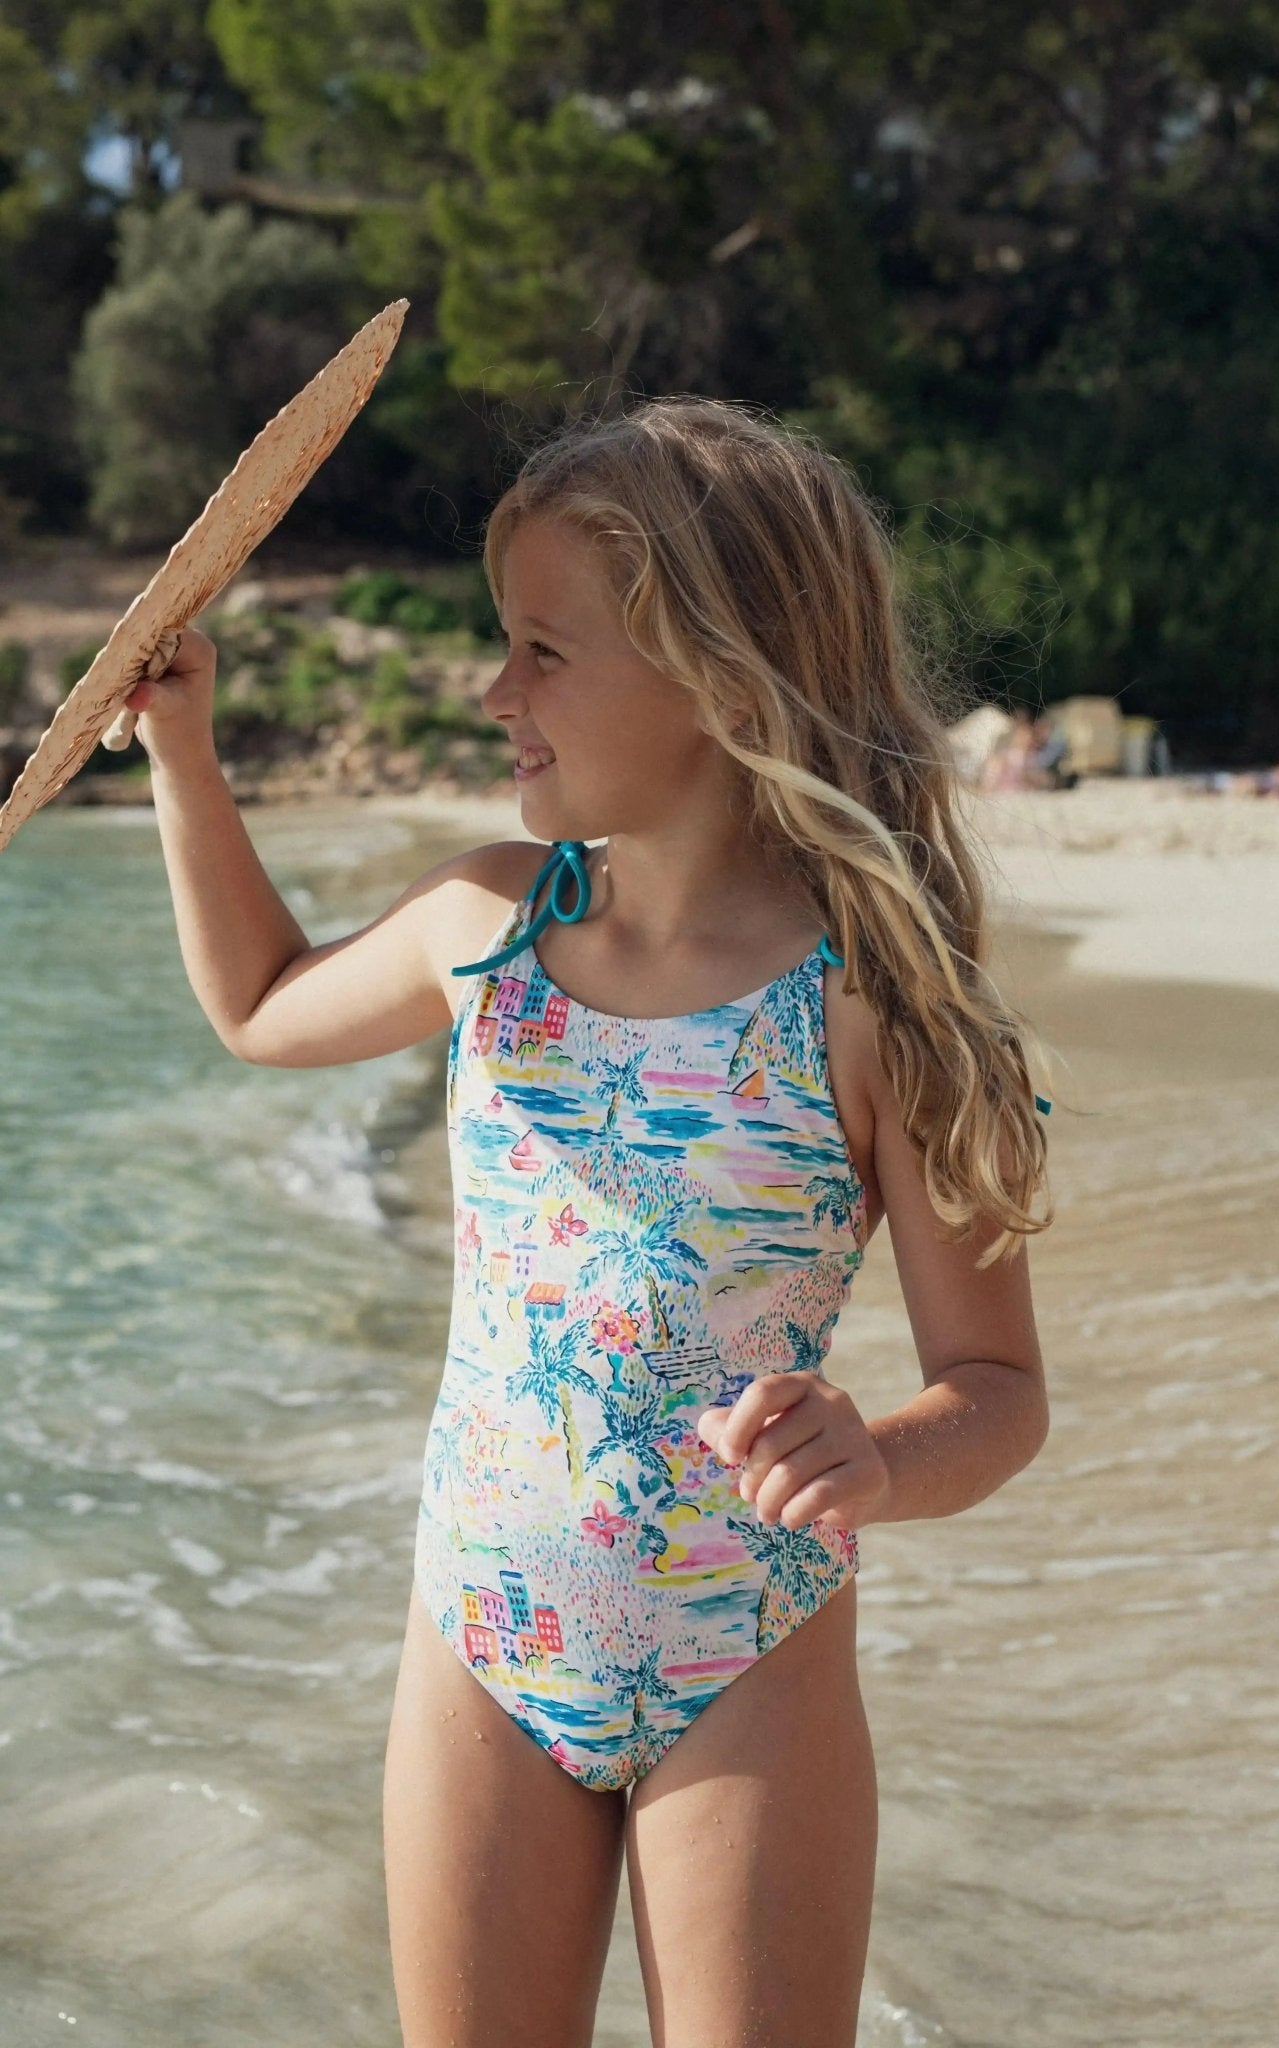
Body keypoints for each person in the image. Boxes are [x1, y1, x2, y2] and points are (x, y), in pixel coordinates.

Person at [126, 396, 1054, 2048]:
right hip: (480, 1631)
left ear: (718, 674)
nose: (497, 695)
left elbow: (996, 1385)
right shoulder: (484, 924)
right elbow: (264, 1006)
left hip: (742, 1657)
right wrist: (186, 758)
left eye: (542, 652)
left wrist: (882, 1454)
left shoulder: (870, 1010)